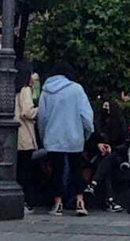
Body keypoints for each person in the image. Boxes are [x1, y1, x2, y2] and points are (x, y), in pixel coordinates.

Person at [37, 63, 94, 216]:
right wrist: (87, 133)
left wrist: (44, 137)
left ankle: (58, 203)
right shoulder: (77, 89)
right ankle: (80, 202)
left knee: (57, 171)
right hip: (74, 137)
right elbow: (86, 116)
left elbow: (41, 117)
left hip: (53, 138)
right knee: (77, 170)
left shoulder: (46, 92)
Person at [84, 98, 129, 211]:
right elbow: (90, 140)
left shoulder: (120, 123)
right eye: (104, 107)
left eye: (108, 108)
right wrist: (98, 145)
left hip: (117, 155)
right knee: (105, 164)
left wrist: (112, 148)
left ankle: (93, 184)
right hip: (100, 155)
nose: (106, 110)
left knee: (108, 159)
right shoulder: (97, 123)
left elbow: (126, 143)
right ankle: (110, 200)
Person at [15, 72, 40, 208]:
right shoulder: (25, 90)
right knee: (25, 170)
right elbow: (27, 112)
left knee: (20, 169)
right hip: (24, 134)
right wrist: (40, 109)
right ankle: (26, 201)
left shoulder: (14, 90)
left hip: (15, 135)